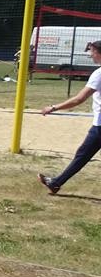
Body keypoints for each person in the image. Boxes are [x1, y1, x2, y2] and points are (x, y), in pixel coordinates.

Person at [38, 39, 101, 195]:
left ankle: (56, 183)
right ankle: (56, 183)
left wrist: (54, 107)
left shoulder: (98, 74)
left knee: (83, 155)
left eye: (92, 52)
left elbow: (79, 99)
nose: (90, 55)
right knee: (83, 154)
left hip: (100, 126)